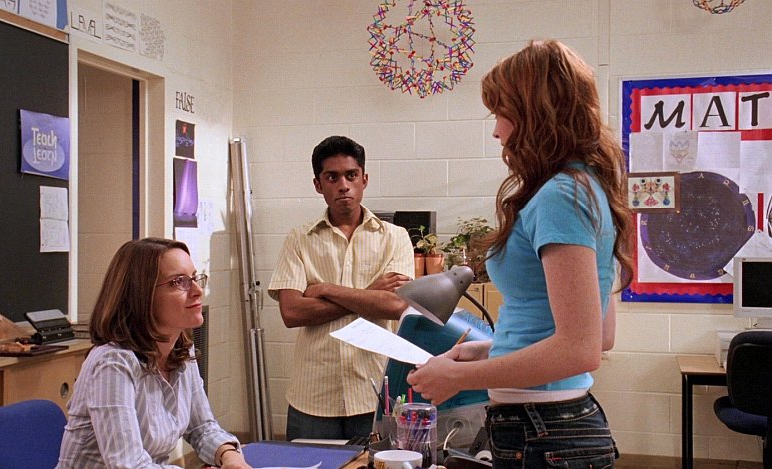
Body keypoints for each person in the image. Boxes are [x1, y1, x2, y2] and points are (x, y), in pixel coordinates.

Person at [407, 39, 633, 468]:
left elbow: (580, 349)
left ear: (534, 114)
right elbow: (598, 335)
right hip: (550, 425)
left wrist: (459, 376)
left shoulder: (560, 196)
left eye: (501, 113)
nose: (496, 131)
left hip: (543, 429)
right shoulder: (583, 187)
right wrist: (491, 350)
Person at [57, 238, 251, 469]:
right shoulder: (113, 363)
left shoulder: (181, 351)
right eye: (179, 282)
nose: (198, 291)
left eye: (194, 278)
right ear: (142, 295)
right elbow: (128, 465)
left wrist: (229, 455)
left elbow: (202, 427)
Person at [268, 135, 415, 441]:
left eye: (351, 175)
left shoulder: (395, 237)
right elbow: (292, 312)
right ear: (318, 184)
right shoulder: (299, 239)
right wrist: (370, 293)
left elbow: (395, 306)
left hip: (374, 392)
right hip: (313, 396)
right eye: (332, 177)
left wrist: (326, 289)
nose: (343, 185)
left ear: (364, 179)